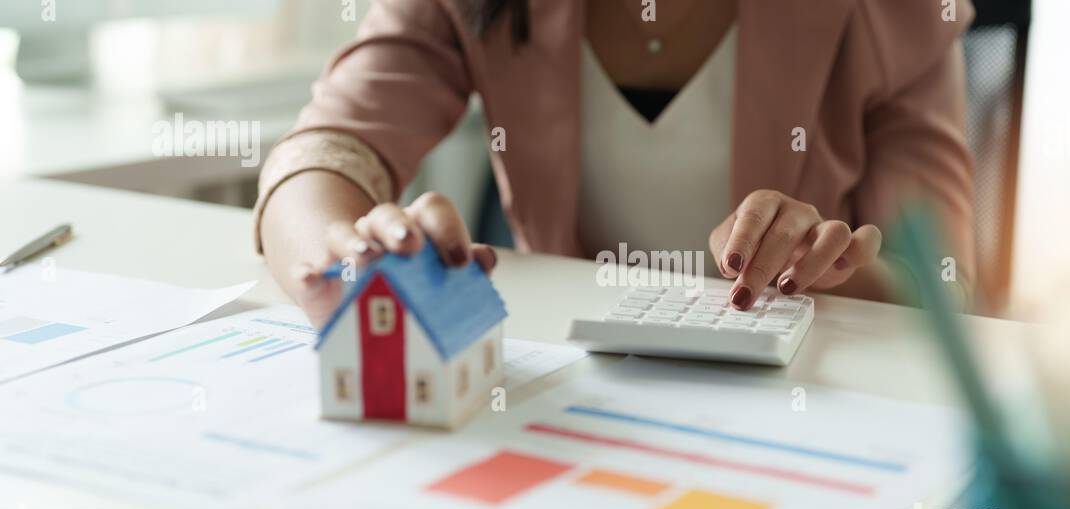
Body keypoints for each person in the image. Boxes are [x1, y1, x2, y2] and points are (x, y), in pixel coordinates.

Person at [255, 0, 977, 327]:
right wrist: (347, 255)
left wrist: (833, 266)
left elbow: (946, 290)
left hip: (808, 402)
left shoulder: (897, 11)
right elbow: (325, 151)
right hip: (585, 395)